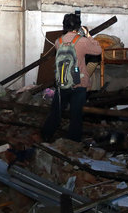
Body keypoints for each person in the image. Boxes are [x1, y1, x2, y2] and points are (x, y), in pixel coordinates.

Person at [41, 13, 103, 142]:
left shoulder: (59, 41)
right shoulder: (83, 41)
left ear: (64, 26)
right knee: (76, 115)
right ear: (78, 26)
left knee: (56, 112)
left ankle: (46, 135)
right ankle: (73, 141)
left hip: (62, 82)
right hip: (78, 83)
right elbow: (98, 51)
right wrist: (88, 35)